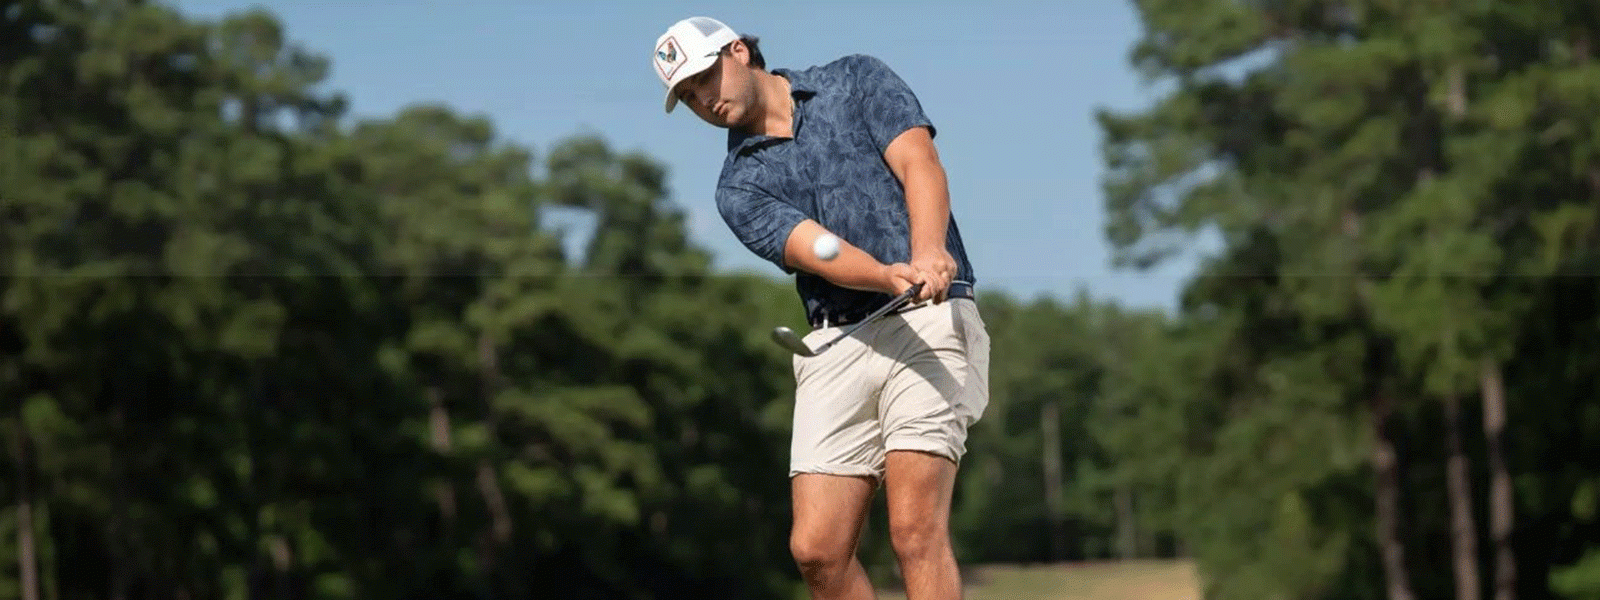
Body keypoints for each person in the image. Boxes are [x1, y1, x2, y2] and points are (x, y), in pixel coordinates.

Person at [651, 16, 991, 600]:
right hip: (836, 342)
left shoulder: (856, 80)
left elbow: (920, 164)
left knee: (913, 530)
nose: (704, 99)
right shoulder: (737, 188)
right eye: (687, 95)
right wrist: (886, 274)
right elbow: (816, 247)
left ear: (739, 51)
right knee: (817, 551)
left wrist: (929, 249)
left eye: (706, 77)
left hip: (928, 324)